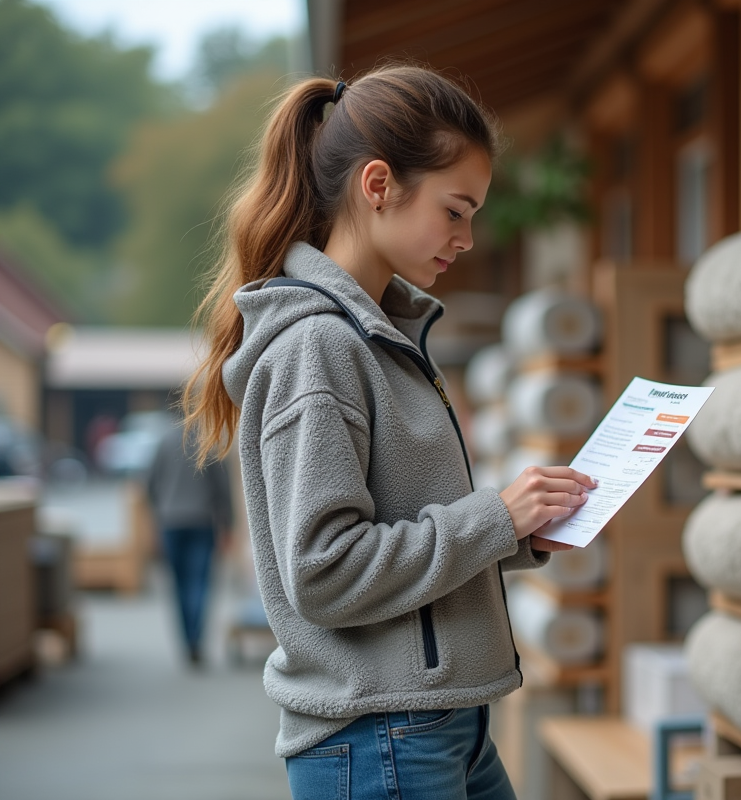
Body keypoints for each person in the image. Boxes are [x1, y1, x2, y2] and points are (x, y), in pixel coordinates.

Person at [182, 65, 595, 800]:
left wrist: (518, 532)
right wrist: (493, 516)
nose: (467, 239)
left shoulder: (379, 339)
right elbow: (325, 570)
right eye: (456, 210)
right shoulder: (322, 348)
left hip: (436, 728)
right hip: (380, 738)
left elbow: (402, 531)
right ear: (378, 185)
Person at [145, 418, 232, 666]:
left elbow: (149, 484)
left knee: (178, 585)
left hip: (170, 521)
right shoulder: (209, 441)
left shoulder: (163, 441)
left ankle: (187, 641)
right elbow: (223, 489)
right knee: (200, 583)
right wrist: (228, 525)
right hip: (202, 521)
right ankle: (196, 640)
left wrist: (158, 515)